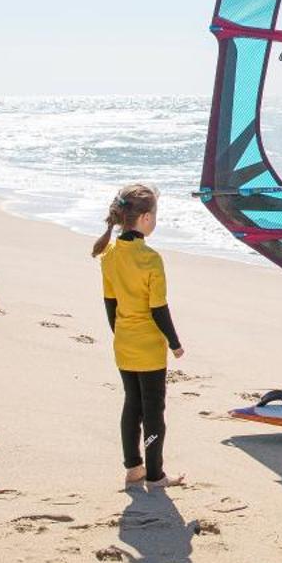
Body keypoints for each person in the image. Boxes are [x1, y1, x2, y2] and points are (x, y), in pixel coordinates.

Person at [93, 184, 186, 489]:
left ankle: (133, 467)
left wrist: (121, 334)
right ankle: (156, 474)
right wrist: (174, 342)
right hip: (148, 346)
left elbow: (111, 305)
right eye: (155, 215)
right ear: (145, 218)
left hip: (124, 341)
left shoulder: (109, 255)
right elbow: (159, 309)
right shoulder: (150, 258)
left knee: (131, 403)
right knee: (153, 408)